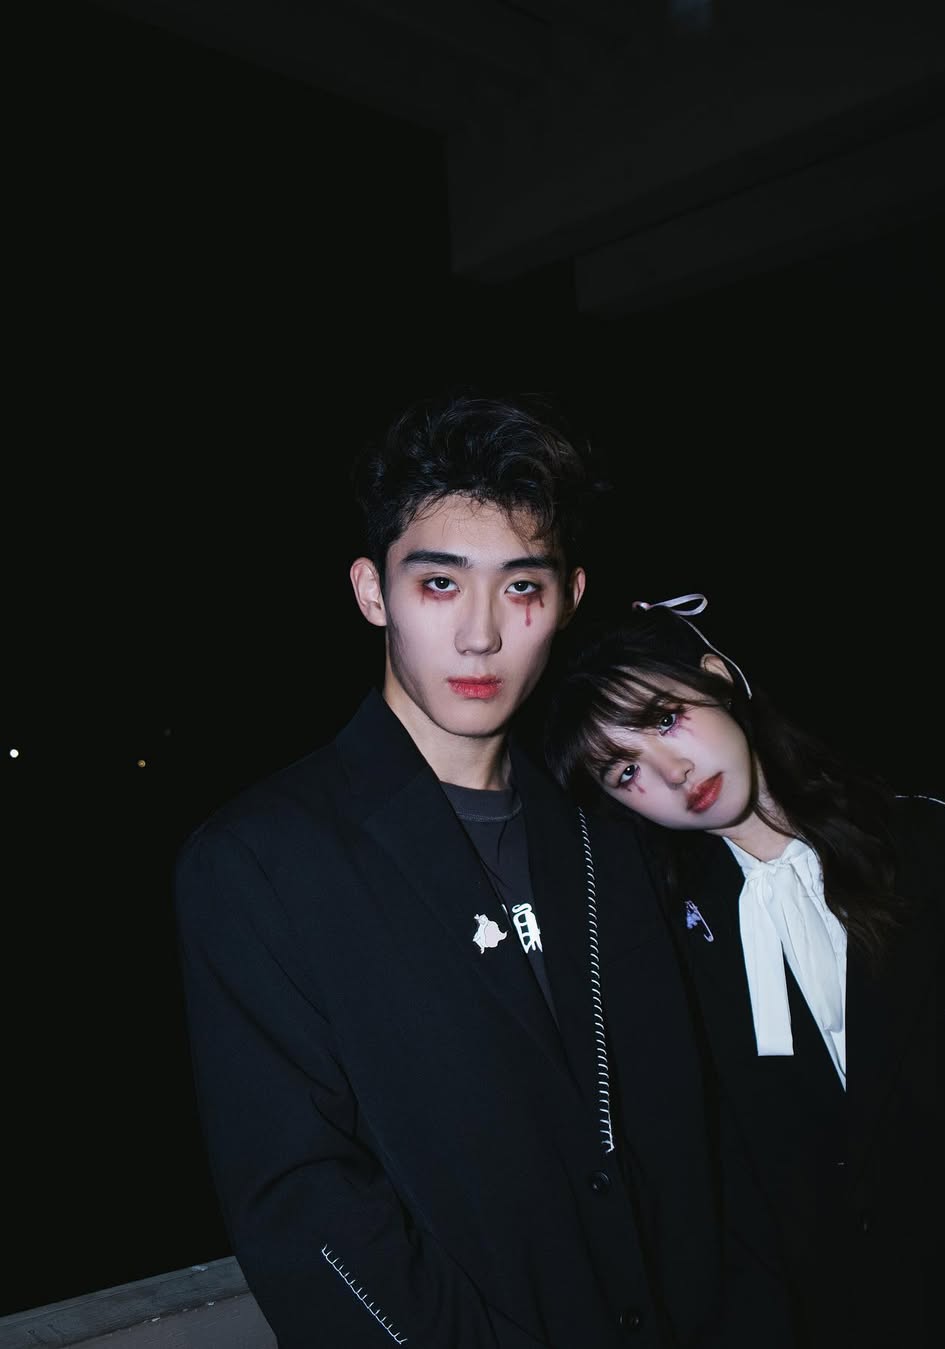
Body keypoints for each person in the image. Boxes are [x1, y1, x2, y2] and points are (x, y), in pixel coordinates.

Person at [172, 397, 726, 1348]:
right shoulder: (261, 860)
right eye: (439, 583)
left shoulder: (610, 828)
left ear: (569, 598)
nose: (480, 635)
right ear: (371, 591)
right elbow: (301, 1205)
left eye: (521, 587)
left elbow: (687, 1129)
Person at [542, 594, 945, 1349]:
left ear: (717, 675)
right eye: (625, 770)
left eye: (664, 717)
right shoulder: (661, 950)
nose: (671, 770)